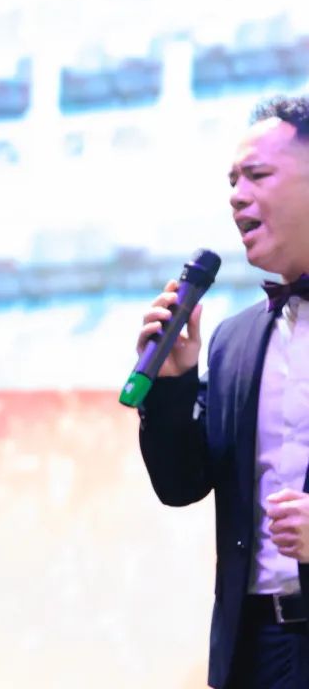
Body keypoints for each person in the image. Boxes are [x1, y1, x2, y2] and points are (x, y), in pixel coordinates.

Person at [135, 95, 309, 688]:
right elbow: (180, 484)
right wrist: (172, 381)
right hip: (250, 652)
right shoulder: (234, 340)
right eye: (232, 181)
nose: (237, 195)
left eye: (257, 175)